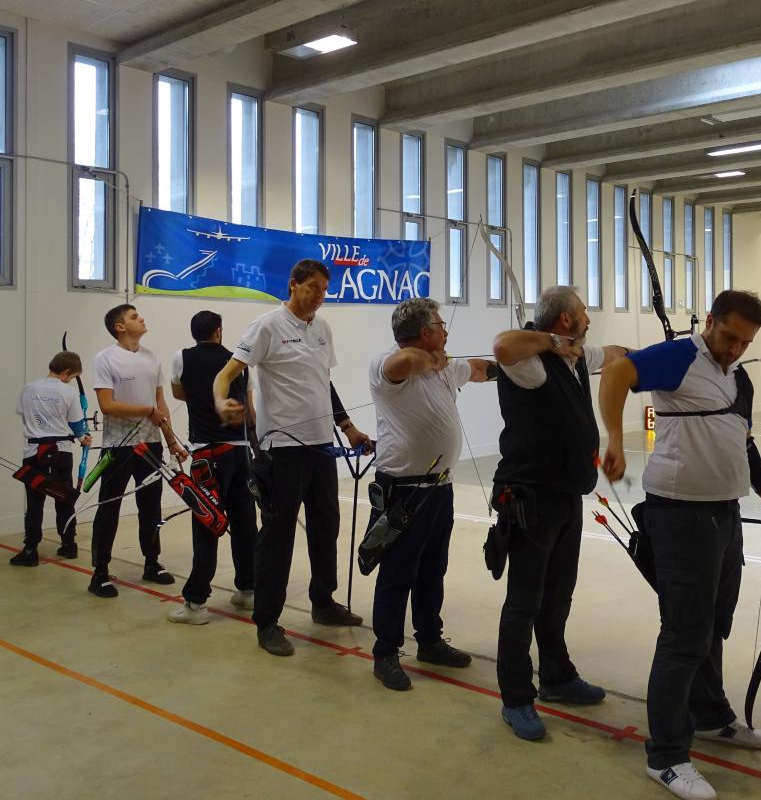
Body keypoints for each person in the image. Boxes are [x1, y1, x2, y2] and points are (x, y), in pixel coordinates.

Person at [599, 290, 761, 800]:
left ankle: (710, 716)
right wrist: (615, 439)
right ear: (710, 321)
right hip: (679, 513)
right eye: (729, 336)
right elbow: (617, 372)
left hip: (724, 513)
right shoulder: (681, 356)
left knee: (714, 622)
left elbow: (743, 441)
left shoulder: (739, 378)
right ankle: (666, 756)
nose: (735, 348)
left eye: (745, 342)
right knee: (684, 634)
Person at [213, 259, 373, 657]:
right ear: (293, 284)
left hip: (321, 448)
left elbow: (324, 383)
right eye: (314, 287)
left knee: (326, 528)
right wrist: (220, 402)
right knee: (278, 538)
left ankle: (323, 603)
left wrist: (347, 426)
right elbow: (227, 373)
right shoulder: (267, 326)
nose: (320, 296)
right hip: (281, 451)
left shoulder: (322, 329)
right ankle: (267, 622)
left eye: (325, 290)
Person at [491, 284, 629, 741]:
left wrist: (665, 357)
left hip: (566, 495)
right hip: (531, 497)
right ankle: (516, 698)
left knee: (557, 595)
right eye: (583, 312)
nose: (588, 318)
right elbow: (502, 346)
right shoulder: (531, 361)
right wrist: (552, 342)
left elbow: (614, 355)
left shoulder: (576, 357)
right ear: (566, 319)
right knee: (524, 601)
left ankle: (556, 676)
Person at [366, 297, 494, 690]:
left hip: (439, 487)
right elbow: (406, 362)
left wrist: (521, 365)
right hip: (403, 491)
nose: (446, 332)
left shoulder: (444, 365)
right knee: (397, 572)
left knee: (432, 569)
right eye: (441, 325)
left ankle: (430, 641)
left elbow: (479, 369)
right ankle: (386, 653)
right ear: (424, 332)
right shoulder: (386, 364)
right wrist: (435, 360)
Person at [166, 311, 258, 625]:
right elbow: (250, 412)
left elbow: (180, 393)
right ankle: (248, 589)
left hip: (207, 454)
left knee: (207, 521)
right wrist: (257, 450)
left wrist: (202, 396)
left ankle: (196, 603)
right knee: (244, 522)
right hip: (240, 453)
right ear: (219, 331)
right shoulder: (239, 361)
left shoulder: (182, 358)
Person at [88, 305, 186, 597]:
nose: (141, 318)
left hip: (151, 446)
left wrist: (171, 441)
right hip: (118, 447)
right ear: (120, 327)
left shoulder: (151, 357)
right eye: (133, 317)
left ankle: (152, 563)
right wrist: (147, 411)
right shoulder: (105, 358)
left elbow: (161, 404)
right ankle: (100, 573)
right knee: (109, 508)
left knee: (151, 506)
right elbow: (107, 405)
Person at [11, 351, 93, 566]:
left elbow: (24, 414)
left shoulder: (29, 388)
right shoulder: (69, 392)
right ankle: (69, 545)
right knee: (64, 498)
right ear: (65, 372)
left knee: (34, 502)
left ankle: (30, 550)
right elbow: (76, 424)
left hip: (33, 454)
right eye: (72, 377)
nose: (71, 381)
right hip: (61, 453)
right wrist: (83, 438)